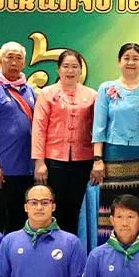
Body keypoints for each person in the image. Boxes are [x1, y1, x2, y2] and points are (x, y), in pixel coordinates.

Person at [92, 43, 139, 244]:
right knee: (112, 209)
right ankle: (109, 253)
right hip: (113, 159)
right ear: (119, 61)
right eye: (126, 58)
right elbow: (99, 127)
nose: (131, 62)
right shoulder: (106, 89)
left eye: (135, 58)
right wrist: (98, 159)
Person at [31, 49, 96, 236]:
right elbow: (39, 128)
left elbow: (98, 130)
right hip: (53, 161)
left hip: (82, 161)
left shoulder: (92, 95)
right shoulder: (47, 94)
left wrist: (97, 160)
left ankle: (70, 248)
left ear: (81, 70)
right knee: (53, 209)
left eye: (74, 67)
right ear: (58, 69)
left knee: (74, 210)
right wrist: (39, 162)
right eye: (66, 66)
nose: (70, 71)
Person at [0, 41, 38, 233]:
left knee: (21, 226)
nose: (14, 62)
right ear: (0, 60)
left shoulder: (29, 91)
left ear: (24, 63)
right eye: (9, 57)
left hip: (26, 171)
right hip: (2, 171)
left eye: (18, 58)